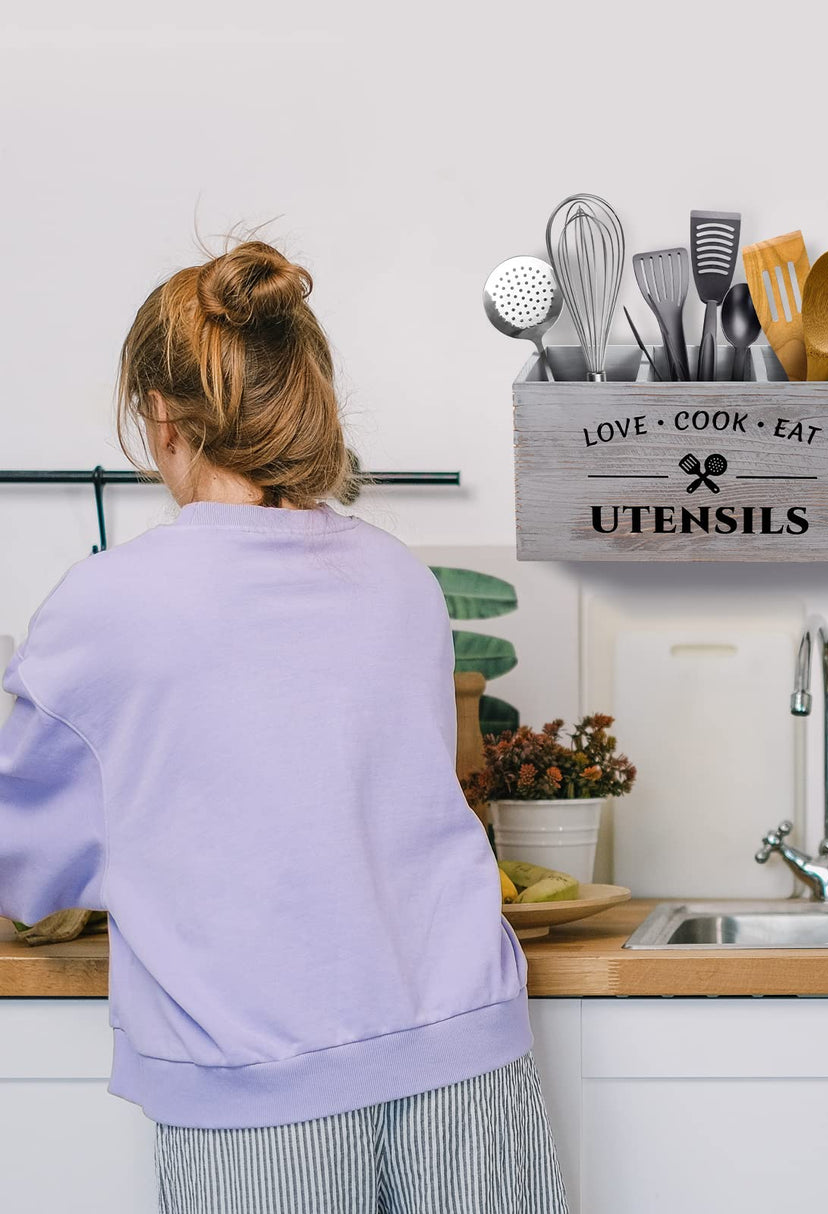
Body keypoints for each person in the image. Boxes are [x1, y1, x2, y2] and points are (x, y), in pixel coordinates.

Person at [0, 236, 569, 1213]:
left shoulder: (105, 608)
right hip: (469, 1060)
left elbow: (25, 863)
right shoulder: (397, 580)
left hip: (265, 1091)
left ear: (160, 416)